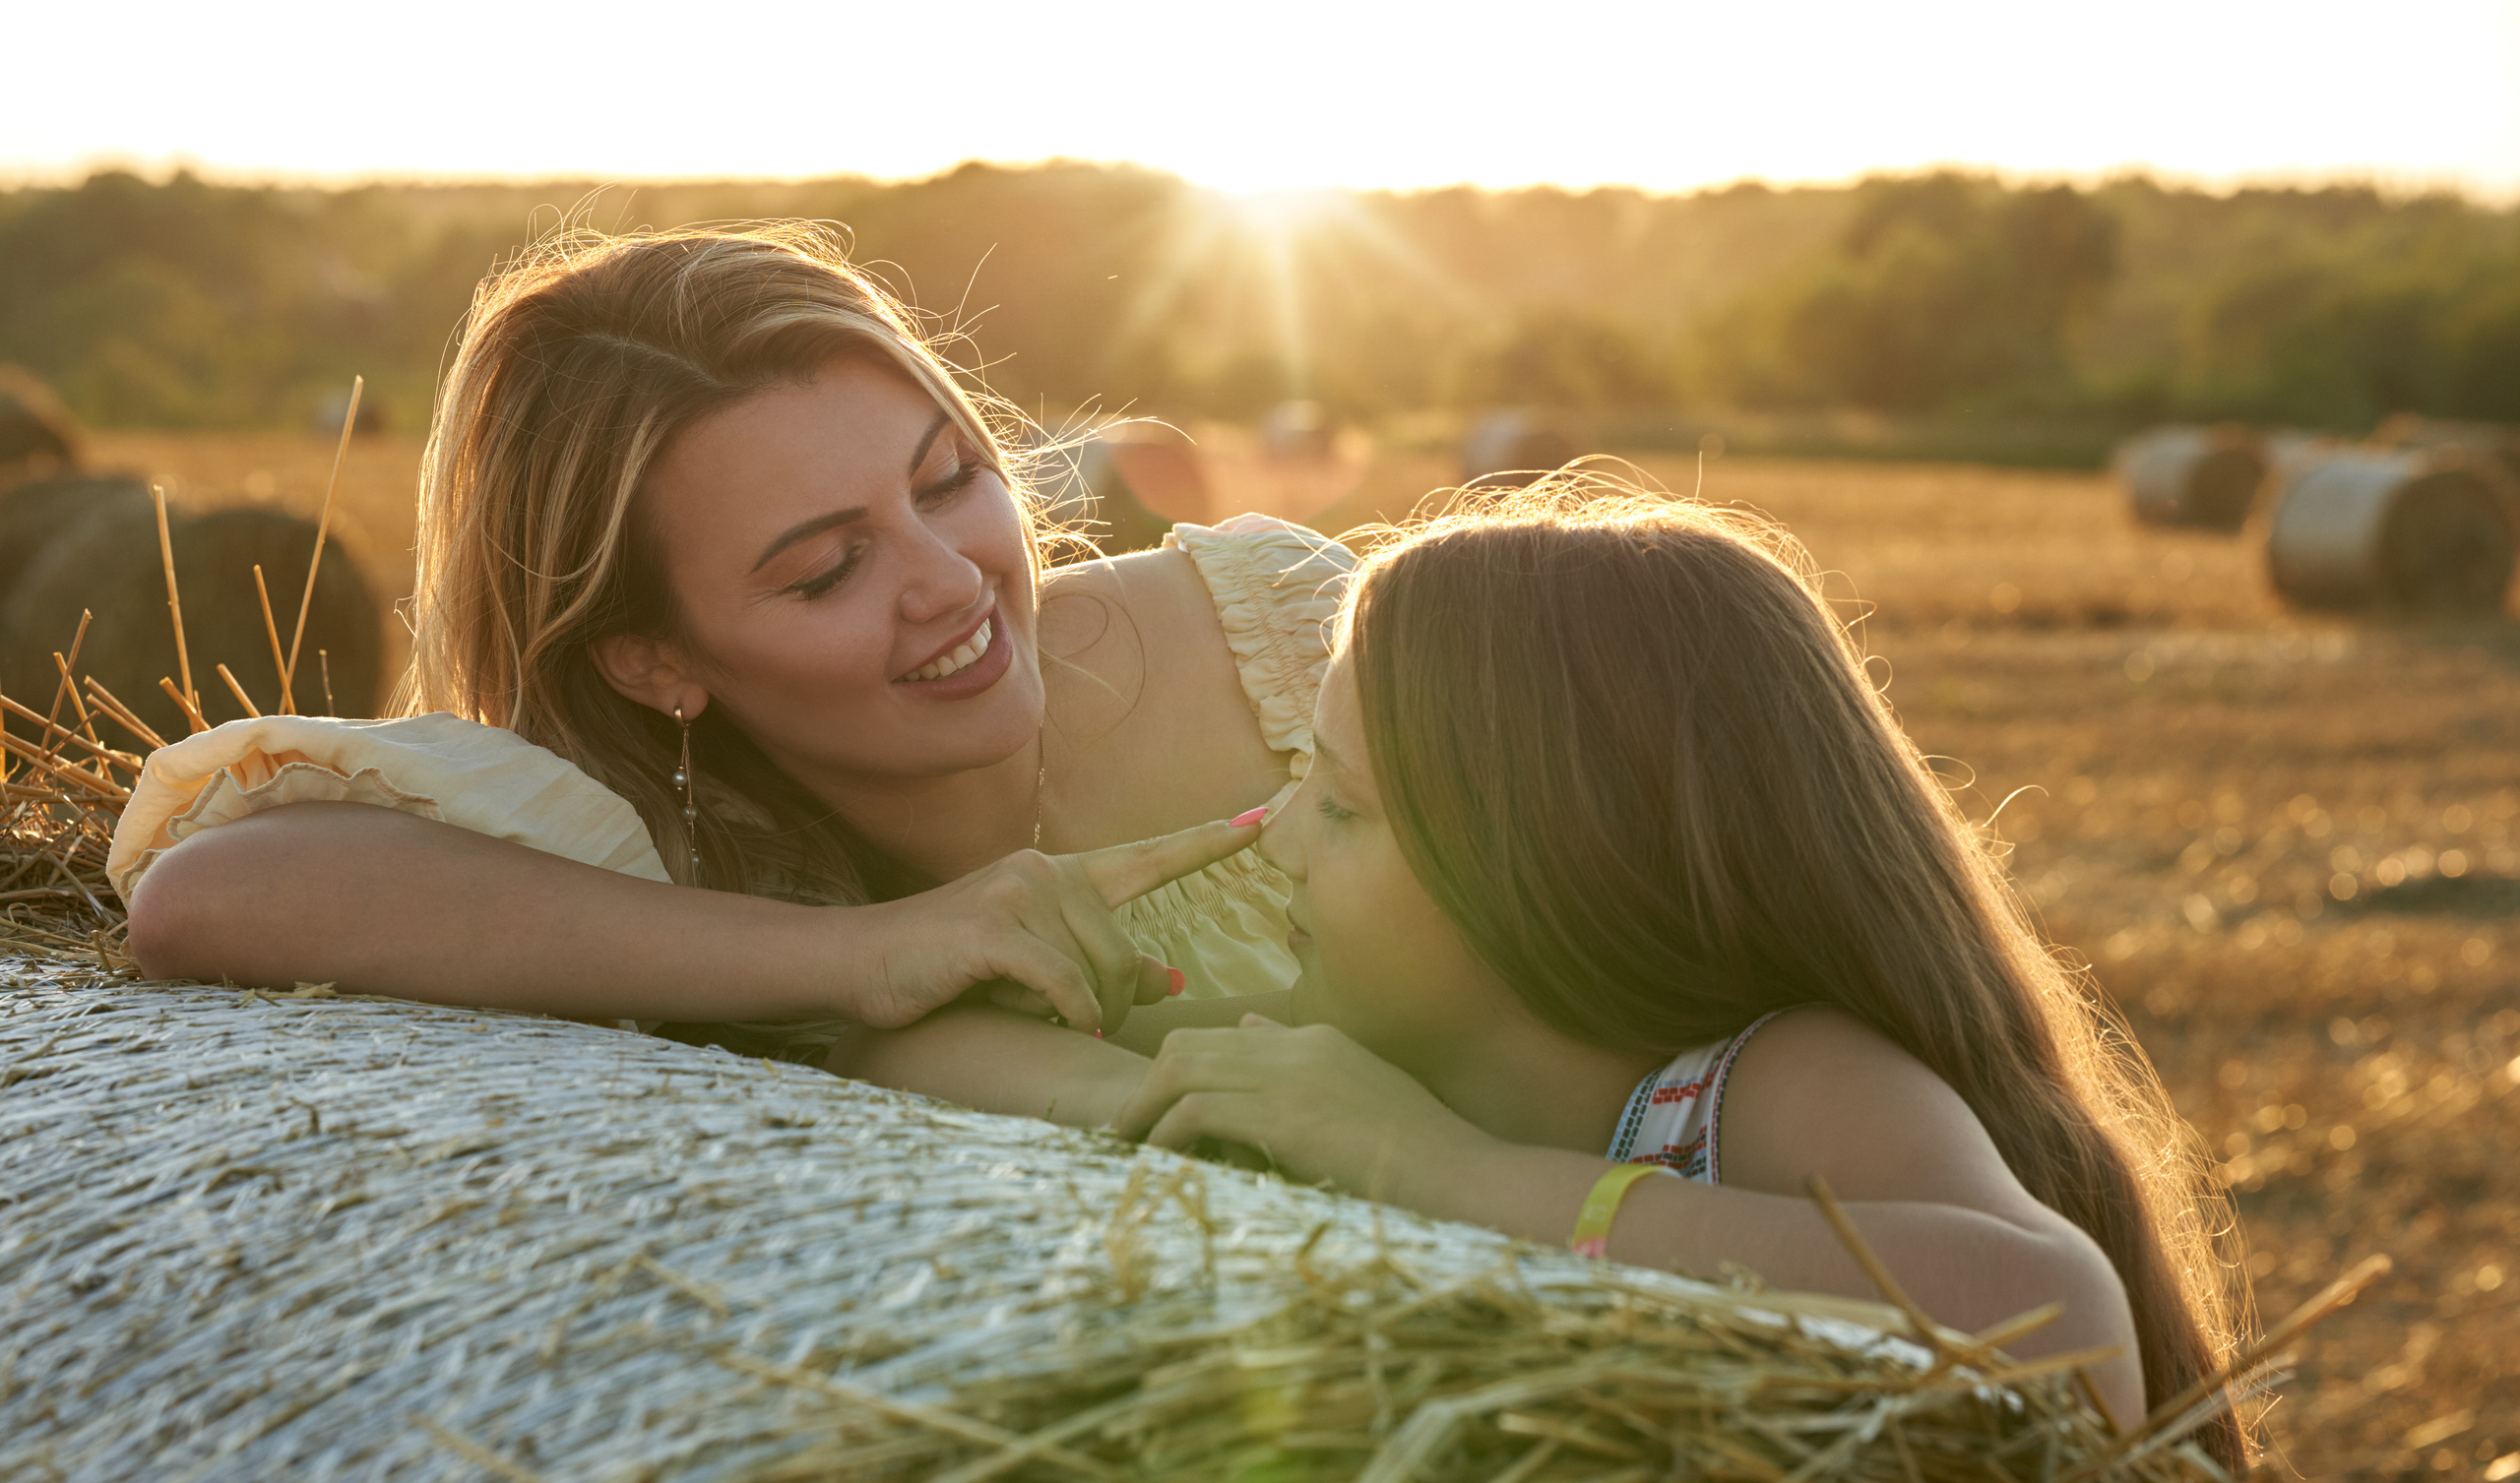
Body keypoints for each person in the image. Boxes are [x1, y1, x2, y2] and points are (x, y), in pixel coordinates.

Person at [831, 485, 2247, 1460]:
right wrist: (1072, 994)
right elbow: (902, 1057)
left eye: (1337, 801)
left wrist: (1437, 1168)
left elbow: (2057, 1324)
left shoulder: (1763, 1086)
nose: (1276, 844)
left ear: (1536, 863)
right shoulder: (1361, 1038)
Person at [113, 224, 1353, 1049]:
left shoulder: (1280, 636)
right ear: (653, 659)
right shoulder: (661, 858)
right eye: (825, 570)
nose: (949, 582)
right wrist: (862, 951)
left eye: (946, 481)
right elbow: (205, 898)